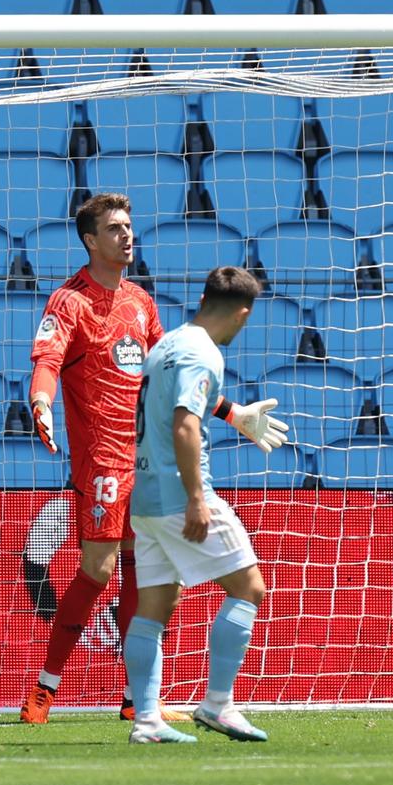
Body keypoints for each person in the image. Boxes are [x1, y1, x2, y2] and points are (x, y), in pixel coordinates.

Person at [20, 194, 285, 724]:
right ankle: (46, 688)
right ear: (91, 240)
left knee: (149, 575)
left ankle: (136, 700)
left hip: (147, 460)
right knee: (98, 571)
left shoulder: (141, 302)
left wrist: (233, 414)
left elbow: (172, 379)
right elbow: (47, 359)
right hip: (101, 459)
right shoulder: (68, 302)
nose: (126, 235)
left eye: (128, 227)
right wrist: (41, 400)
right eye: (114, 228)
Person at [125, 266, 280, 744]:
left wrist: (234, 412)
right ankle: (217, 705)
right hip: (178, 494)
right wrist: (196, 499)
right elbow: (185, 425)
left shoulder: (166, 345)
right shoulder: (203, 353)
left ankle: (147, 721)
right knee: (248, 586)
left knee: (155, 604)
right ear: (241, 313)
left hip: (145, 497)